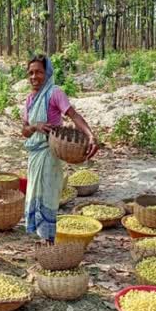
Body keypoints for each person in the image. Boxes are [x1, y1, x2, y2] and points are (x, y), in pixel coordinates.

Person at [21, 54, 98, 243]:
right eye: (30, 73)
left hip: (50, 153)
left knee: (47, 196)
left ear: (47, 73)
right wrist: (35, 127)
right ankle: (43, 238)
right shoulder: (29, 100)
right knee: (36, 195)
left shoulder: (54, 93)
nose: (34, 77)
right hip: (35, 156)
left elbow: (74, 115)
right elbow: (25, 131)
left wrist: (90, 135)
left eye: (38, 72)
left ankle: (50, 241)